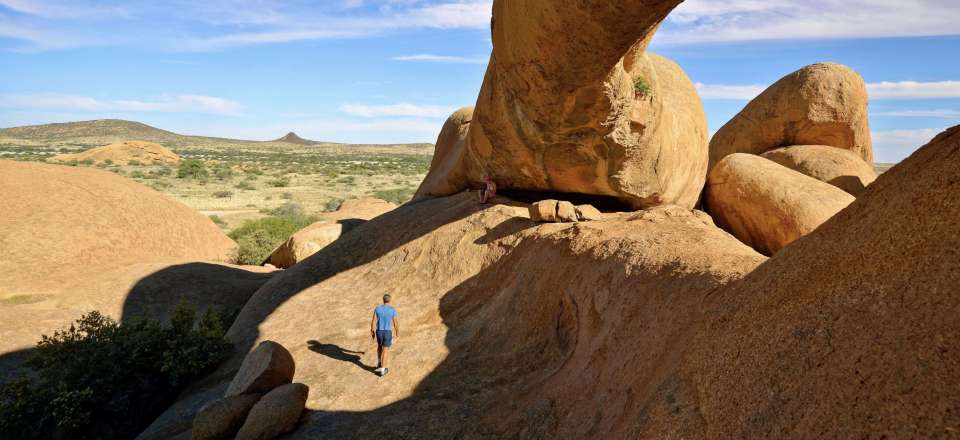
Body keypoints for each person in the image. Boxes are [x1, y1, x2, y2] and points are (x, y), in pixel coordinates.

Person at [370, 293, 400, 376]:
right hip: (387, 332)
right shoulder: (392, 310)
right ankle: (383, 369)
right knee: (386, 350)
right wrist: (397, 331)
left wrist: (372, 331)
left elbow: (373, 321)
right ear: (389, 300)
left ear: (383, 300)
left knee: (379, 347)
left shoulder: (377, 309)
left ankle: (379, 362)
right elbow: (395, 322)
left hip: (379, 331)